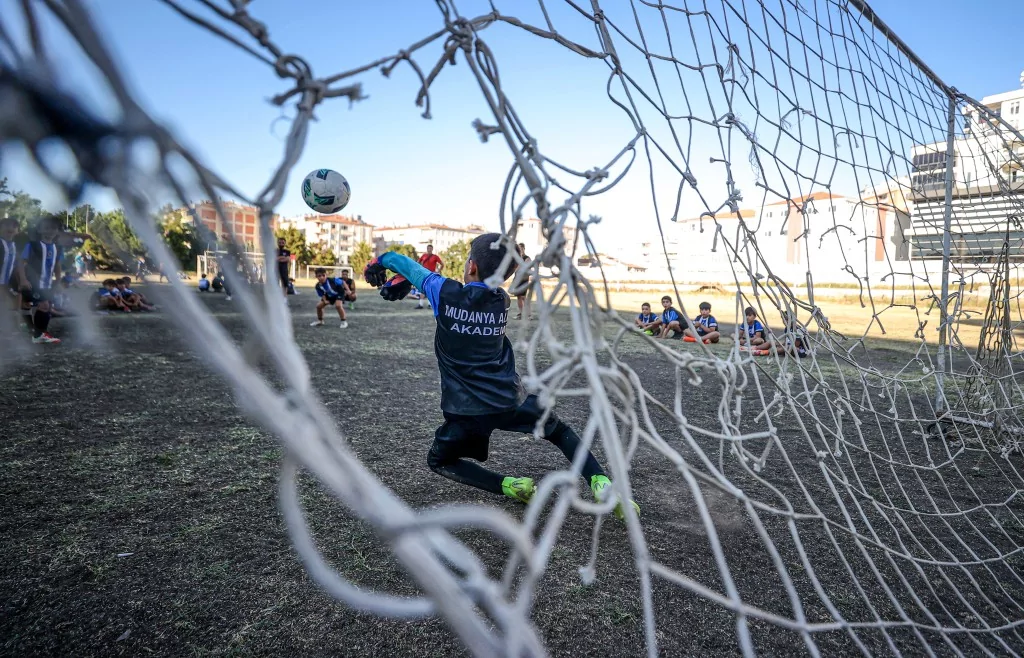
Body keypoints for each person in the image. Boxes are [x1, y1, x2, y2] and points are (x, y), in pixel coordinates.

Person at [363, 233, 638, 519]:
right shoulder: (501, 301)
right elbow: (416, 272)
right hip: (509, 399)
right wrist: (407, 277)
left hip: (465, 411)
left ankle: (510, 485)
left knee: (440, 460)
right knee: (559, 431)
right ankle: (601, 483)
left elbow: (403, 263)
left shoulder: (446, 293)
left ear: (470, 267)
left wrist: (379, 261)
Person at [16, 215, 64, 344]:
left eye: (53, 228)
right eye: (47, 228)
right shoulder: (32, 245)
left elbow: (57, 265)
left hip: (48, 282)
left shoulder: (57, 248)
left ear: (57, 230)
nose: (50, 231)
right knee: (43, 305)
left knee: (33, 305)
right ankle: (38, 335)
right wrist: (23, 279)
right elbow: (21, 262)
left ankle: (34, 330)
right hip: (34, 281)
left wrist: (59, 280)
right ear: (39, 230)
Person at [1, 217, 21, 311]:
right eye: (7, 225)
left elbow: (16, 264)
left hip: (7, 281)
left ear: (17, 231)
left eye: (14, 226)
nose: (10, 228)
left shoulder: (14, 245)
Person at [415, 244, 443, 309]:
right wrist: (419, 270)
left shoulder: (435, 256)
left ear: (432, 249)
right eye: (428, 248)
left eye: (430, 248)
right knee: (422, 288)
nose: (429, 249)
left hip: (431, 274)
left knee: (430, 289)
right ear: (427, 249)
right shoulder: (424, 256)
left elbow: (442, 264)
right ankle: (420, 304)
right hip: (424, 274)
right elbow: (417, 263)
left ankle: (430, 304)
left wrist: (438, 271)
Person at [514, 243, 530, 320]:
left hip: (524, 279)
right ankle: (521, 313)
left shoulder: (527, 258)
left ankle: (528, 314)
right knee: (518, 297)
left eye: (521, 248)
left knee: (523, 297)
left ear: (524, 248)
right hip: (517, 279)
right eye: (518, 248)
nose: (520, 249)